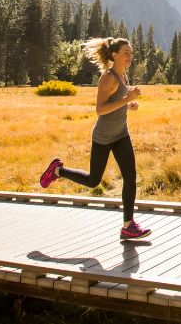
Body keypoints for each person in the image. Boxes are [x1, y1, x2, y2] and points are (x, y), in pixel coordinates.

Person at [39, 37, 151, 240]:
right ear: (114, 55)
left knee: (130, 177)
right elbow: (100, 110)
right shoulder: (108, 78)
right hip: (104, 137)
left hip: (121, 134)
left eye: (131, 52)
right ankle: (57, 170)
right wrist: (127, 99)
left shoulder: (123, 76)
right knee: (93, 181)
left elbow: (115, 102)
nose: (130, 56)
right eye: (126, 52)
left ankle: (128, 226)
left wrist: (128, 106)